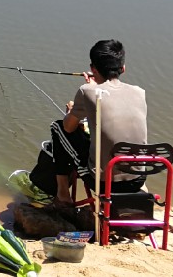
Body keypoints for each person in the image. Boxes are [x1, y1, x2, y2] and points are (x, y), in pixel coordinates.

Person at [26, 39, 148, 208]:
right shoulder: (139, 93)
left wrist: (71, 111)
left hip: (103, 182)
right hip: (137, 179)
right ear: (123, 68)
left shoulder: (87, 91)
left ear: (93, 69)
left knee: (58, 127)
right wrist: (96, 86)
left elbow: (68, 128)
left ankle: (62, 195)